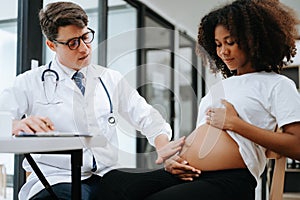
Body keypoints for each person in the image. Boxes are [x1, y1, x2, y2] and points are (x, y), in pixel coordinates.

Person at [99, 0, 300, 199]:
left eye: (230, 42)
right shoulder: (221, 86)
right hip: (190, 174)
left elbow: (297, 146)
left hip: (231, 179)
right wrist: (176, 161)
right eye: (218, 44)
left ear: (253, 40)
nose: (223, 51)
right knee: (113, 182)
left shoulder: (277, 84)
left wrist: (235, 124)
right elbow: (204, 138)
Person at [0, 2, 185, 200]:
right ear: (52, 45)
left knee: (175, 181)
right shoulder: (30, 82)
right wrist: (16, 124)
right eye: (73, 43)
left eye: (86, 37)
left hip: (108, 176)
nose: (84, 48)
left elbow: (147, 116)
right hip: (58, 179)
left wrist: (163, 145)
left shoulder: (109, 78)